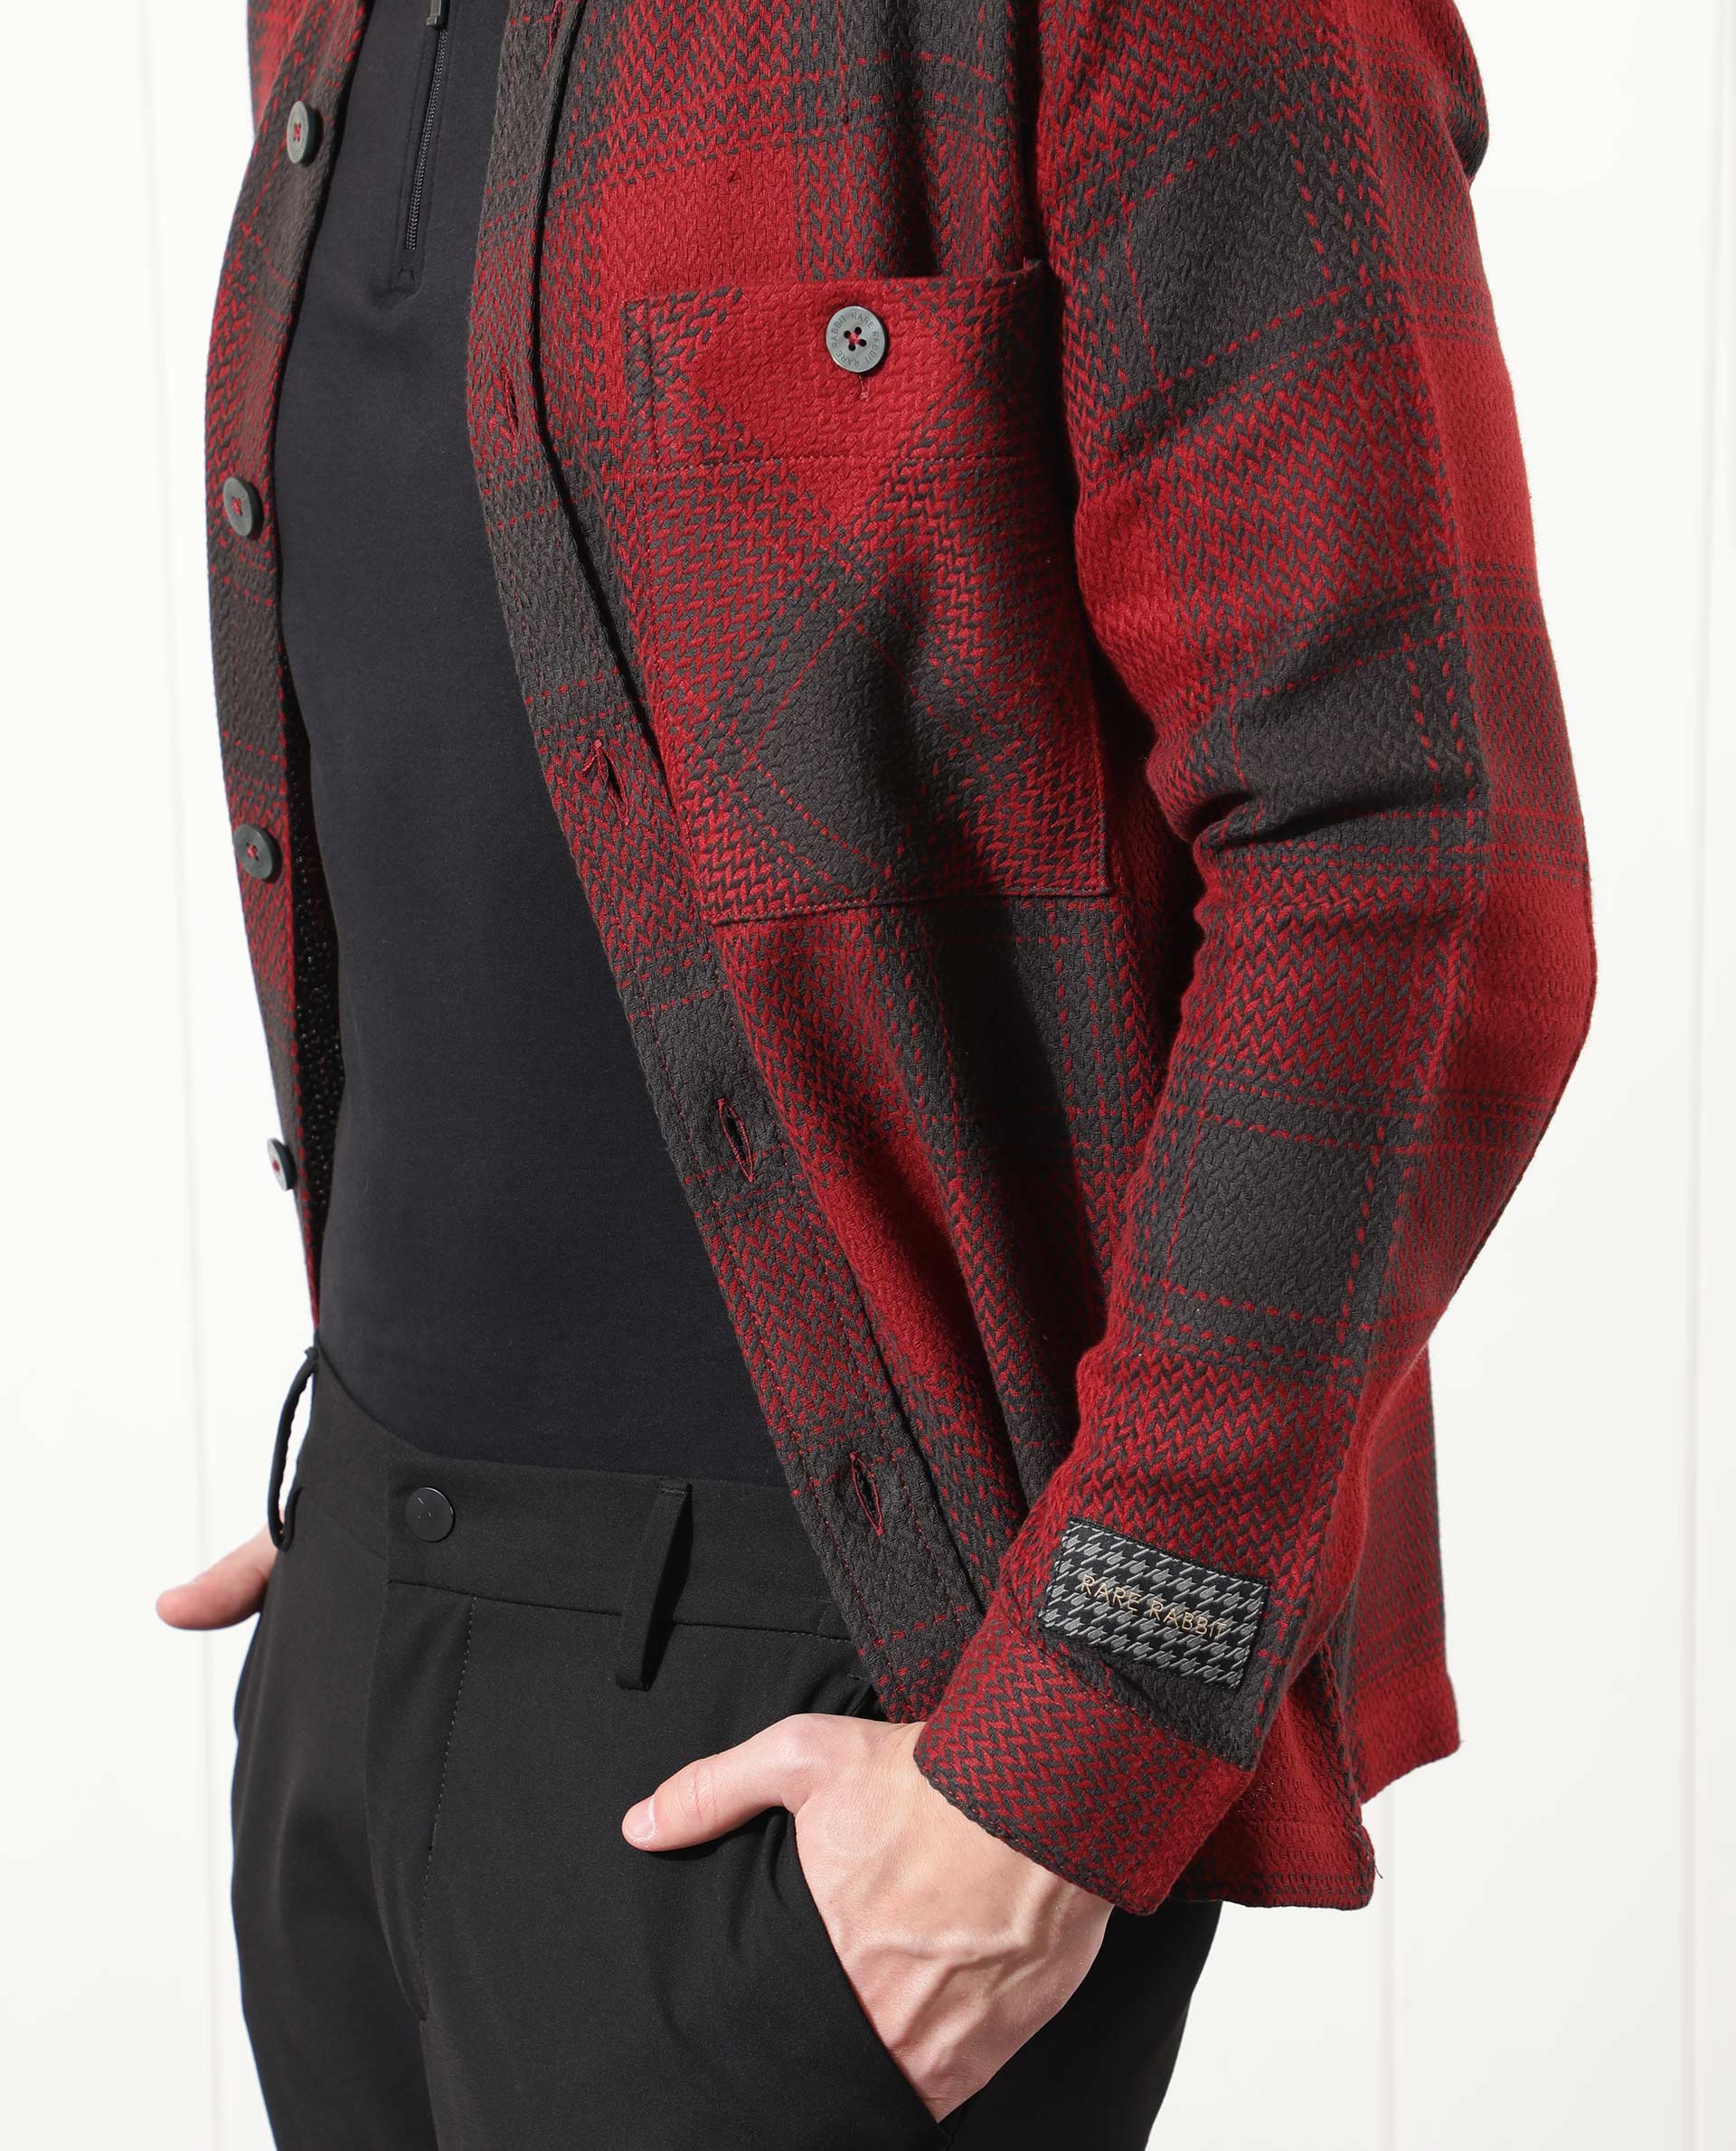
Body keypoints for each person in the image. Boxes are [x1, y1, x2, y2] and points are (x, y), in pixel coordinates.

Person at [156, 1, 1594, 2144]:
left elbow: (1411, 858)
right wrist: (402, 1537)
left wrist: (1069, 1749)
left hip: (855, 1711)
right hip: (367, 1605)